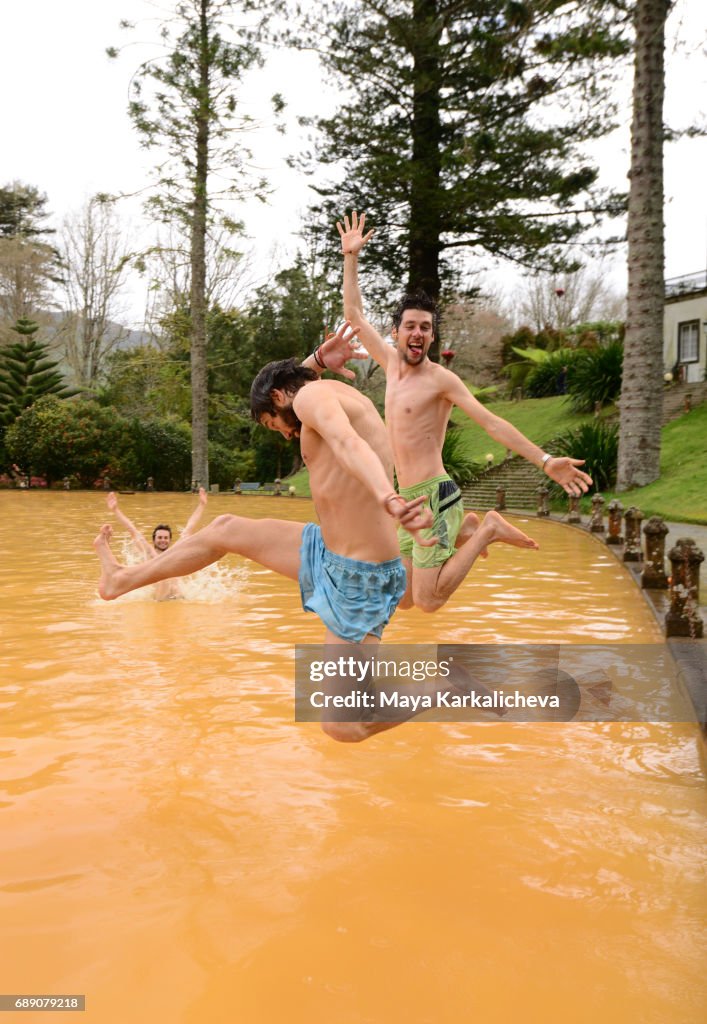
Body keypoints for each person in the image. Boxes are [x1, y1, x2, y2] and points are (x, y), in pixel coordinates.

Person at [336, 211, 593, 613]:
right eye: (410, 326)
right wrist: (350, 258)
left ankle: (485, 528)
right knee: (401, 600)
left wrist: (545, 461)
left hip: (434, 497)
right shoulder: (389, 365)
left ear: (432, 336)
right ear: (397, 333)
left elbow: (492, 423)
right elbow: (353, 315)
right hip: (408, 498)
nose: (417, 332)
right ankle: (469, 528)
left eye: (425, 327)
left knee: (428, 599)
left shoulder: (441, 380)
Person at [105, 487, 208, 600]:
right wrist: (115, 510)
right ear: (154, 540)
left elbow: (189, 528)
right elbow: (132, 530)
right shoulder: (150, 555)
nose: (163, 540)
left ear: (169, 540)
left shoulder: (175, 553)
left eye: (165, 538)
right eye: (160, 537)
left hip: (180, 599)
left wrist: (202, 505)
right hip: (160, 600)